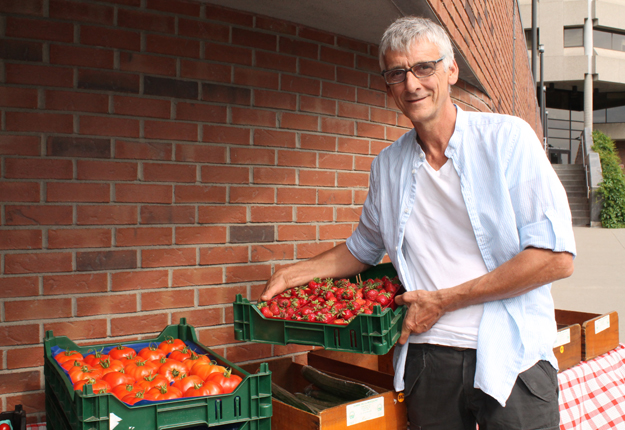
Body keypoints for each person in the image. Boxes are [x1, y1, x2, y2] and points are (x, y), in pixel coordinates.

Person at [261, 15, 576, 430]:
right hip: (430, 359)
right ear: (388, 84)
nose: (412, 84)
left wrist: (444, 301)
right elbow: (362, 248)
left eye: (424, 67)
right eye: (397, 73)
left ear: (451, 70)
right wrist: (294, 272)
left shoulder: (507, 140)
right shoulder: (387, 166)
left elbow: (555, 259)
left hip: (513, 353)